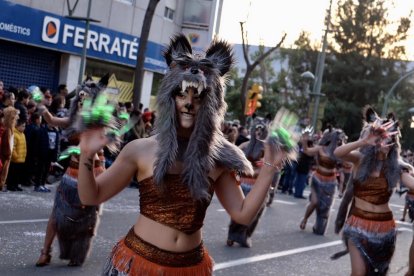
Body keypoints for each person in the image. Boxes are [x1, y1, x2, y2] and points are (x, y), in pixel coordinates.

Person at [77, 34, 291, 275]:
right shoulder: (140, 149)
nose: (189, 103)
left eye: (198, 97)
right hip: (137, 265)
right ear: (170, 98)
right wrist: (86, 154)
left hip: (190, 268)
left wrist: (272, 165)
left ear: (211, 104)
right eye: (181, 94)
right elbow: (90, 197)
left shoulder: (218, 157)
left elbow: (242, 214)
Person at [35, 76, 110, 267]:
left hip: (94, 174)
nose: (83, 101)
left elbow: (99, 151)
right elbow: (51, 119)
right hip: (71, 175)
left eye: (87, 98)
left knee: (90, 217)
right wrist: (42, 107)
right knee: (56, 213)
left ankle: (79, 252)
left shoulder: (99, 123)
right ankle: (46, 252)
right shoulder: (72, 120)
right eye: (81, 98)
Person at [332, 107, 414, 275]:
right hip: (357, 226)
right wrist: (362, 142)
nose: (386, 142)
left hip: (385, 229)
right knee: (359, 273)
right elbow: (338, 153)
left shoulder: (395, 167)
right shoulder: (360, 159)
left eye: (390, 138)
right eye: (382, 137)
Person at [226, 117, 271, 248]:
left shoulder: (263, 148)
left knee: (251, 212)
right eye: (257, 130)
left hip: (255, 184)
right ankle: (235, 236)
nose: (258, 133)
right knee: (246, 211)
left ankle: (241, 236)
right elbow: (234, 162)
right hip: (251, 184)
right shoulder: (246, 146)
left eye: (260, 130)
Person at [299, 125, 345, 235]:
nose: (339, 141)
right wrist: (305, 141)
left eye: (340, 140)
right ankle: (305, 218)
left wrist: (341, 186)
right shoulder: (321, 149)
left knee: (325, 208)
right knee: (314, 202)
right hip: (317, 179)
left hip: (330, 182)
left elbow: (345, 166)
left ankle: (319, 225)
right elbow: (306, 151)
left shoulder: (339, 152)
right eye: (337, 139)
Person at [0, 106, 19, 191]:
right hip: (4, 158)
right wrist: (8, 156)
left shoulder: (9, 129)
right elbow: (6, 149)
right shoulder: (7, 130)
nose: (16, 119)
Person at [6, 120, 26, 191]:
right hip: (15, 159)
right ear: (17, 126)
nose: (24, 128)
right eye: (23, 126)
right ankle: (10, 186)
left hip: (21, 158)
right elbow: (13, 147)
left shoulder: (23, 134)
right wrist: (15, 156)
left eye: (24, 126)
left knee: (18, 174)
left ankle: (16, 185)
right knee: (12, 174)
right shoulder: (14, 134)